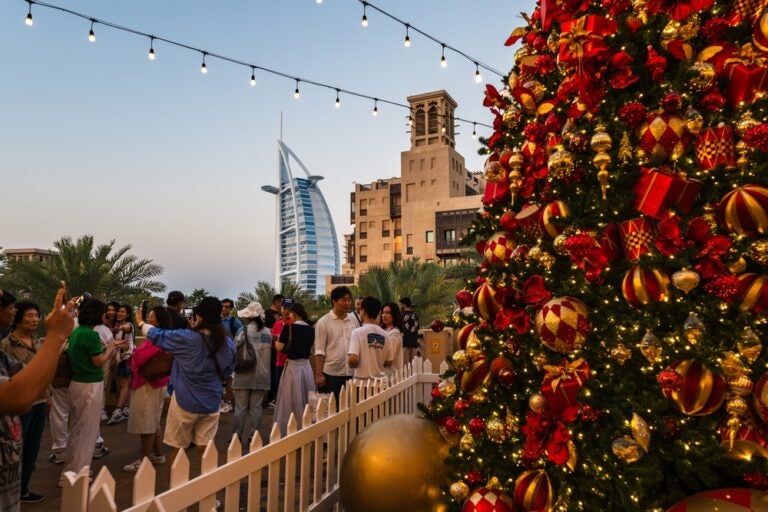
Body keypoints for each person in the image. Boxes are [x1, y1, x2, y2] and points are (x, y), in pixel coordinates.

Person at [0, 287, 76, 512]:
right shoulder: (7, 345)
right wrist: (56, 335)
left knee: (31, 450)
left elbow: (36, 380)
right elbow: (18, 398)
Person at [136, 296, 236, 464]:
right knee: (205, 447)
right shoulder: (227, 342)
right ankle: (210, 483)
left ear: (200, 317)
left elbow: (157, 335)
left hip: (184, 400)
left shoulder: (187, 338)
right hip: (211, 400)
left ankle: (178, 486)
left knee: (178, 448)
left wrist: (140, 323)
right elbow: (227, 371)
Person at [60, 298, 127, 487]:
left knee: (76, 430)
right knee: (86, 432)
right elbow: (98, 361)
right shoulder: (89, 335)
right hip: (90, 385)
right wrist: (112, 347)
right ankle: (78, 474)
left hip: (77, 384)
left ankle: (70, 472)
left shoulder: (77, 332)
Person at [1, 301, 47, 503]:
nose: (35, 319)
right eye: (29, 315)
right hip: (20, 405)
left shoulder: (37, 343)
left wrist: (49, 397)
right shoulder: (7, 345)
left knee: (32, 449)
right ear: (18, 318)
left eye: (37, 315)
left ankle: (23, 488)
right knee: (16, 448)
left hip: (40, 402)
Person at [122, 306, 172, 472]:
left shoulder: (157, 339)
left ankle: (144, 459)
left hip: (148, 384)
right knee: (154, 420)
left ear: (158, 321)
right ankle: (157, 454)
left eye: (151, 317)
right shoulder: (166, 337)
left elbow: (139, 358)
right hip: (158, 382)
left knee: (146, 422)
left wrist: (132, 354)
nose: (148, 319)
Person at [232, 302, 271, 445]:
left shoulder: (243, 330)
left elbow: (233, 348)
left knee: (240, 407)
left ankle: (236, 436)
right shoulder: (268, 332)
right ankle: (254, 435)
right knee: (256, 407)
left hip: (244, 374)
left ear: (249, 317)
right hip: (263, 375)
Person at [273, 302, 316, 433]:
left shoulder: (288, 327)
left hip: (293, 367)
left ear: (294, 313)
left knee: (290, 398)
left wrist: (276, 341)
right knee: (306, 397)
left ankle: (291, 428)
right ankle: (306, 426)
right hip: (306, 367)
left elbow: (279, 347)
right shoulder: (311, 329)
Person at [313, 286, 357, 403]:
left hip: (352, 373)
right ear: (334, 302)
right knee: (332, 411)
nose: (347, 303)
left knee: (351, 409)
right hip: (331, 374)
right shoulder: (323, 322)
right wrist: (318, 375)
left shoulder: (354, 321)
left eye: (349, 300)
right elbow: (319, 351)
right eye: (343, 300)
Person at [348, 297, 392, 381]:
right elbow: (389, 361)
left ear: (363, 311)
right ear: (379, 312)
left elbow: (353, 359)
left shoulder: (357, 332)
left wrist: (351, 364)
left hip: (362, 384)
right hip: (381, 384)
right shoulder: (386, 335)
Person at [107, 304, 135, 425]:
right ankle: (126, 409)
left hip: (126, 358)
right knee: (123, 384)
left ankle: (118, 410)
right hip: (120, 358)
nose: (119, 313)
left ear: (128, 314)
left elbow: (127, 328)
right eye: (119, 311)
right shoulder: (116, 326)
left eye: (122, 312)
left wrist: (119, 329)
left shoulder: (128, 325)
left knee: (123, 384)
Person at [269, 298, 294, 408]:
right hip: (279, 362)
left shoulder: (296, 324)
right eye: (285, 307)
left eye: (290, 308)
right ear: (281, 308)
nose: (287, 310)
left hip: (293, 363)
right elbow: (273, 344)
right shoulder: (278, 324)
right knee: (279, 386)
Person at [218, 299, 241, 414]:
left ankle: (228, 402)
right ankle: (219, 401)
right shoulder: (215, 320)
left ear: (231, 308)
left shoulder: (234, 321)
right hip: (216, 354)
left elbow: (241, 334)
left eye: (227, 307)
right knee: (217, 377)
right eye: (222, 306)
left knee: (229, 379)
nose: (224, 308)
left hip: (230, 355)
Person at [265, 294, 283, 406]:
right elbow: (264, 329)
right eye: (282, 302)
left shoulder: (283, 313)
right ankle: (271, 397)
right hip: (270, 348)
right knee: (271, 372)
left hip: (281, 348)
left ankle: (278, 396)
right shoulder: (267, 313)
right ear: (277, 302)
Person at [380, 302, 405, 379]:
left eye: (388, 313)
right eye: (383, 313)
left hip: (392, 375)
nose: (384, 315)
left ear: (394, 315)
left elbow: (390, 358)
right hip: (384, 374)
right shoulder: (383, 330)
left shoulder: (394, 333)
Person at [399, 297, 420, 364]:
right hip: (414, 342)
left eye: (401, 304)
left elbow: (400, 329)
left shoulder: (402, 315)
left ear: (404, 305)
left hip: (405, 342)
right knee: (413, 365)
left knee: (405, 365)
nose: (400, 306)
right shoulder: (415, 315)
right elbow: (417, 328)